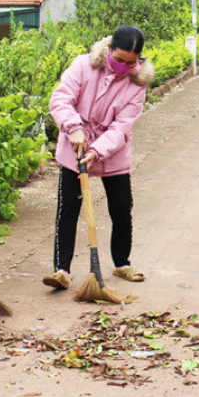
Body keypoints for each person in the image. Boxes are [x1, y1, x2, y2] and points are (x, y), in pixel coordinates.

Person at [46, 26, 154, 289]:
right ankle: (62, 270)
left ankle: (121, 263)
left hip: (111, 151)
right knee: (68, 206)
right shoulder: (83, 66)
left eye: (130, 63)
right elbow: (60, 99)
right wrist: (74, 128)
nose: (123, 67)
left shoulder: (137, 83)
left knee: (121, 207)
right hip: (75, 145)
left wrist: (97, 151)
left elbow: (121, 127)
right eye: (118, 60)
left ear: (138, 59)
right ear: (108, 49)